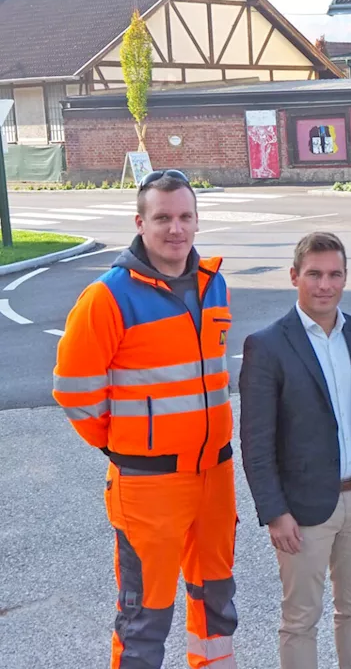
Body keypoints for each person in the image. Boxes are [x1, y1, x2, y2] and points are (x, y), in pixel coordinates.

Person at [52, 169, 237, 668]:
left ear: (197, 221)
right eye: (162, 218)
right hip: (148, 484)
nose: (175, 229)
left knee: (217, 605)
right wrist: (122, 445)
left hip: (214, 477)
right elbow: (73, 391)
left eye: (184, 217)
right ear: (140, 222)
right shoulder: (107, 297)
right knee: (145, 617)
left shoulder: (213, 285)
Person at [239, 232, 351, 669]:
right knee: (300, 619)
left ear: (346, 278)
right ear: (294, 276)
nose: (324, 285)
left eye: (334, 275)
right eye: (314, 274)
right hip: (301, 509)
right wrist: (274, 512)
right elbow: (256, 441)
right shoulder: (268, 345)